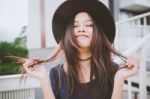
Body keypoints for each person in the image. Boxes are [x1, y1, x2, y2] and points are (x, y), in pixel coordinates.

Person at [22, 0, 140, 99]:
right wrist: (43, 79)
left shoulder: (113, 70)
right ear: (68, 34)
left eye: (88, 25)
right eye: (75, 26)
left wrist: (119, 78)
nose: (81, 29)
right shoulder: (56, 74)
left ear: (98, 33)